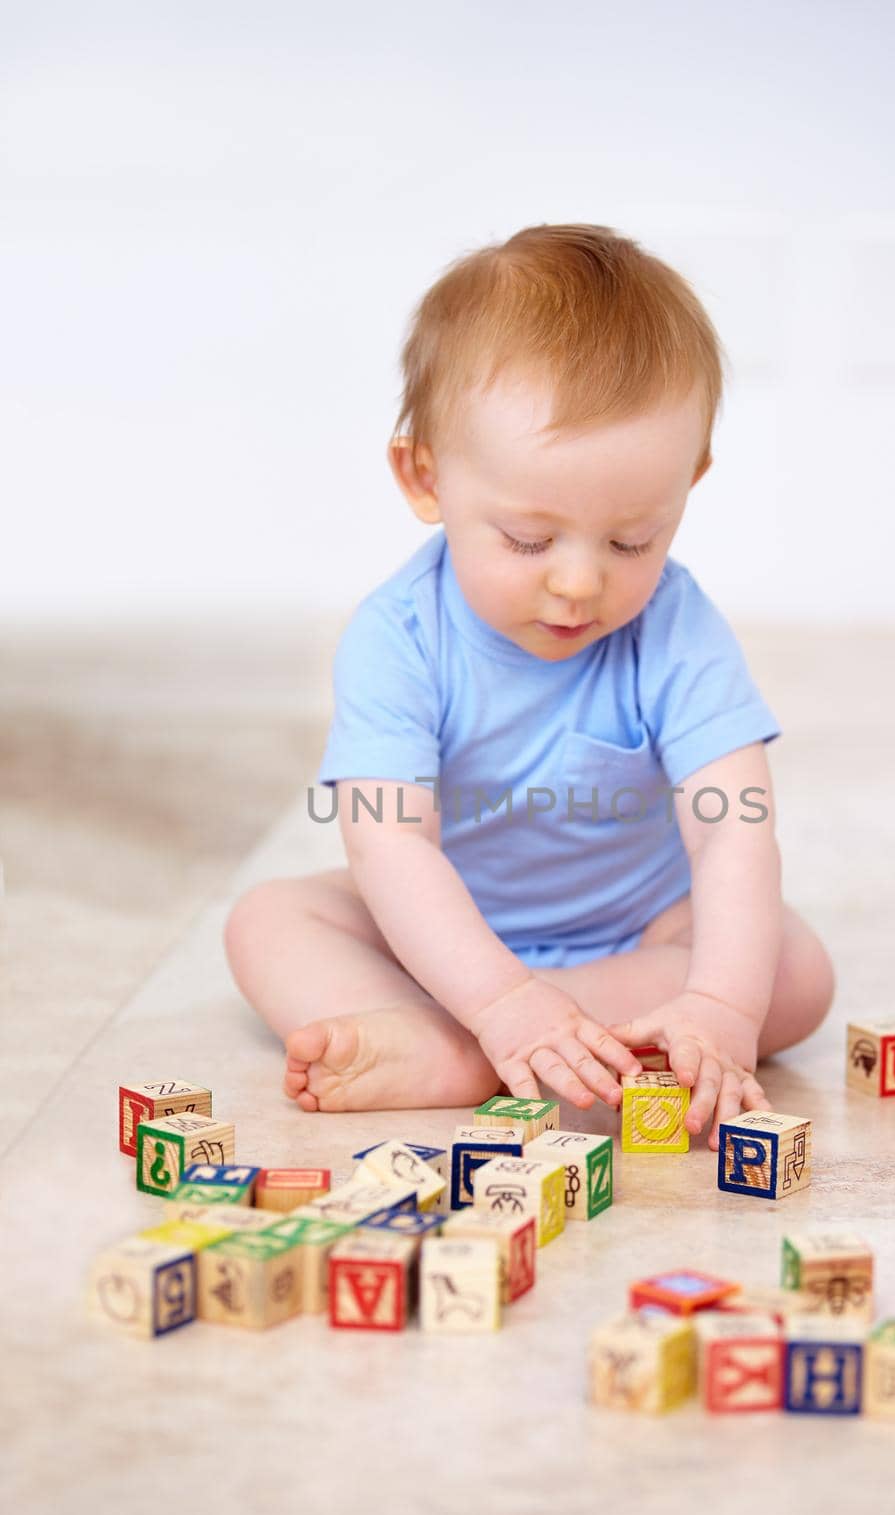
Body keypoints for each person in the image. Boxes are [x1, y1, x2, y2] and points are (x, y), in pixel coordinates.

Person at [223, 223, 835, 1149]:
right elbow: (390, 844)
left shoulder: (674, 625)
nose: (580, 582)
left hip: (635, 932)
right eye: (527, 540)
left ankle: (462, 1057)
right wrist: (500, 995)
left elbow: (733, 833)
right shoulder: (398, 638)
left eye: (632, 540)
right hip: (440, 935)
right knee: (269, 921)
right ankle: (498, 1032)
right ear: (423, 476)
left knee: (792, 973)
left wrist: (716, 1004)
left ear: (688, 484)